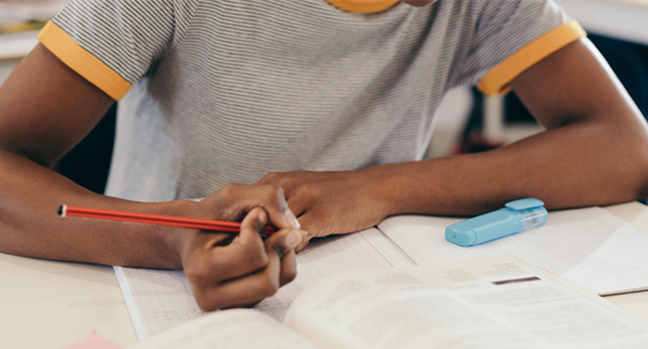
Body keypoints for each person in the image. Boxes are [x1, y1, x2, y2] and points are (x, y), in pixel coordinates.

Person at [1, 0, 647, 311]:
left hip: (366, 307)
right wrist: (172, 237)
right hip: (152, 303)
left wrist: (380, 187)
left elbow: (624, 145)